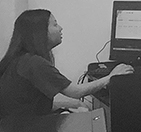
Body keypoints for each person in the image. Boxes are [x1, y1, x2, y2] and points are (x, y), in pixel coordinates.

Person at [0, 9, 133, 118]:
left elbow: (32, 104)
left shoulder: (21, 59)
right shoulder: (34, 63)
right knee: (85, 117)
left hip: (15, 127)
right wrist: (111, 77)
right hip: (24, 130)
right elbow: (75, 92)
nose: (60, 28)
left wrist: (71, 105)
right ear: (40, 32)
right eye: (55, 25)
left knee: (80, 108)